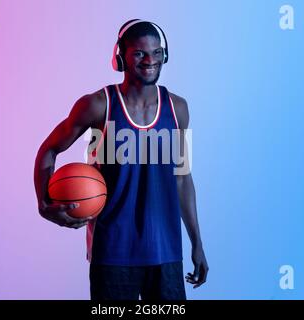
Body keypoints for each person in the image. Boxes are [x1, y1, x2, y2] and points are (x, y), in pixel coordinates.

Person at [34, 19, 208, 300]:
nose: (150, 60)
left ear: (165, 55)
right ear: (120, 58)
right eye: (139, 53)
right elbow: (49, 149)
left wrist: (197, 243)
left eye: (156, 52)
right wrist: (44, 204)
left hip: (165, 251)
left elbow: (182, 178)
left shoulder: (178, 108)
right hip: (113, 250)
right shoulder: (98, 105)